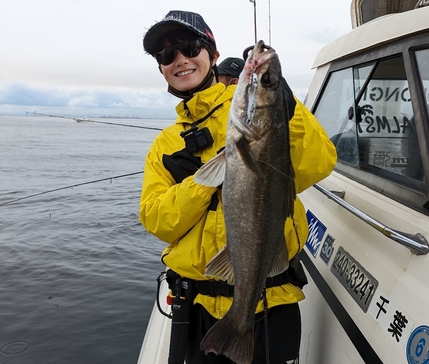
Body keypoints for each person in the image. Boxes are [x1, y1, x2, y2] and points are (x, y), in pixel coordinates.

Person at [139, 10, 337, 364]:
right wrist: (205, 182)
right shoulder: (166, 145)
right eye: (166, 55)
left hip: (269, 305)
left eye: (189, 47)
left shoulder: (259, 109)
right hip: (197, 308)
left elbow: (318, 163)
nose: (180, 60)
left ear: (212, 54)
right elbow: (158, 221)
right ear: (161, 68)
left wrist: (282, 100)